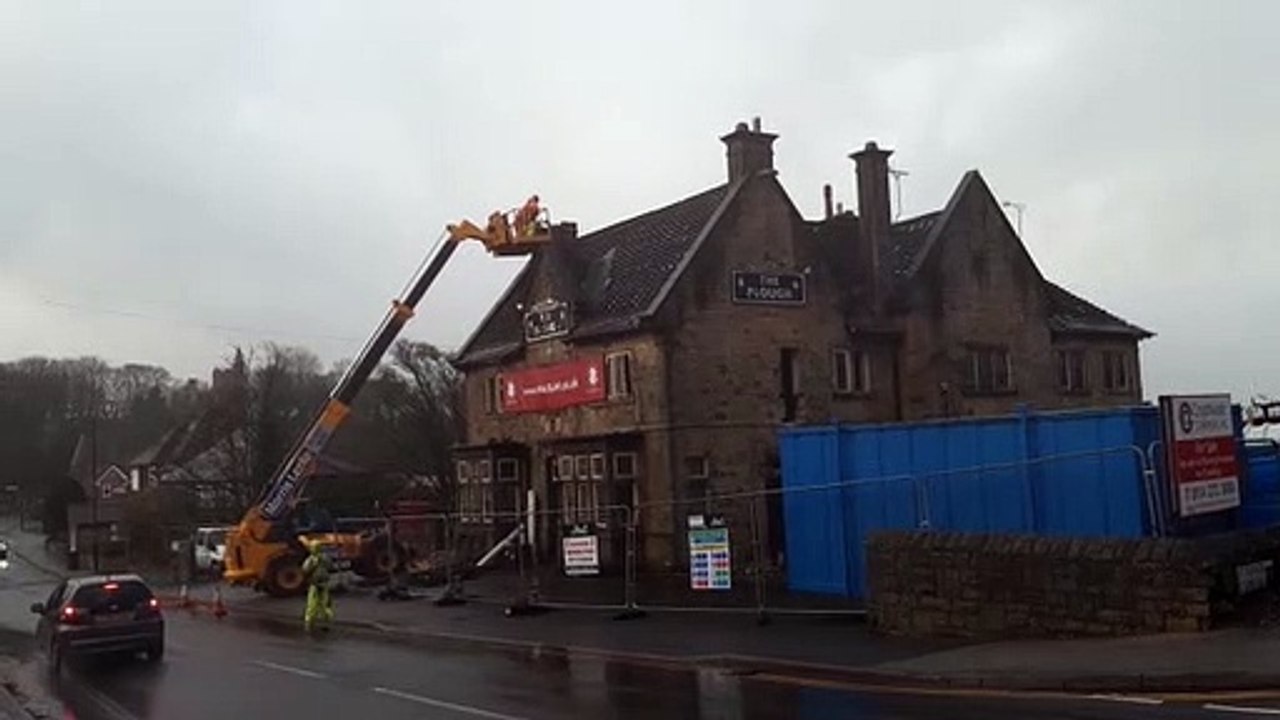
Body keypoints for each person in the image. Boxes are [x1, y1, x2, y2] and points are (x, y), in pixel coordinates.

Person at [301, 541, 335, 633]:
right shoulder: (326, 558)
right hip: (324, 584)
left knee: (312, 604)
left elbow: (305, 569)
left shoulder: (311, 559)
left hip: (315, 584)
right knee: (325, 604)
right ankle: (326, 624)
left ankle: (309, 624)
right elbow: (331, 567)